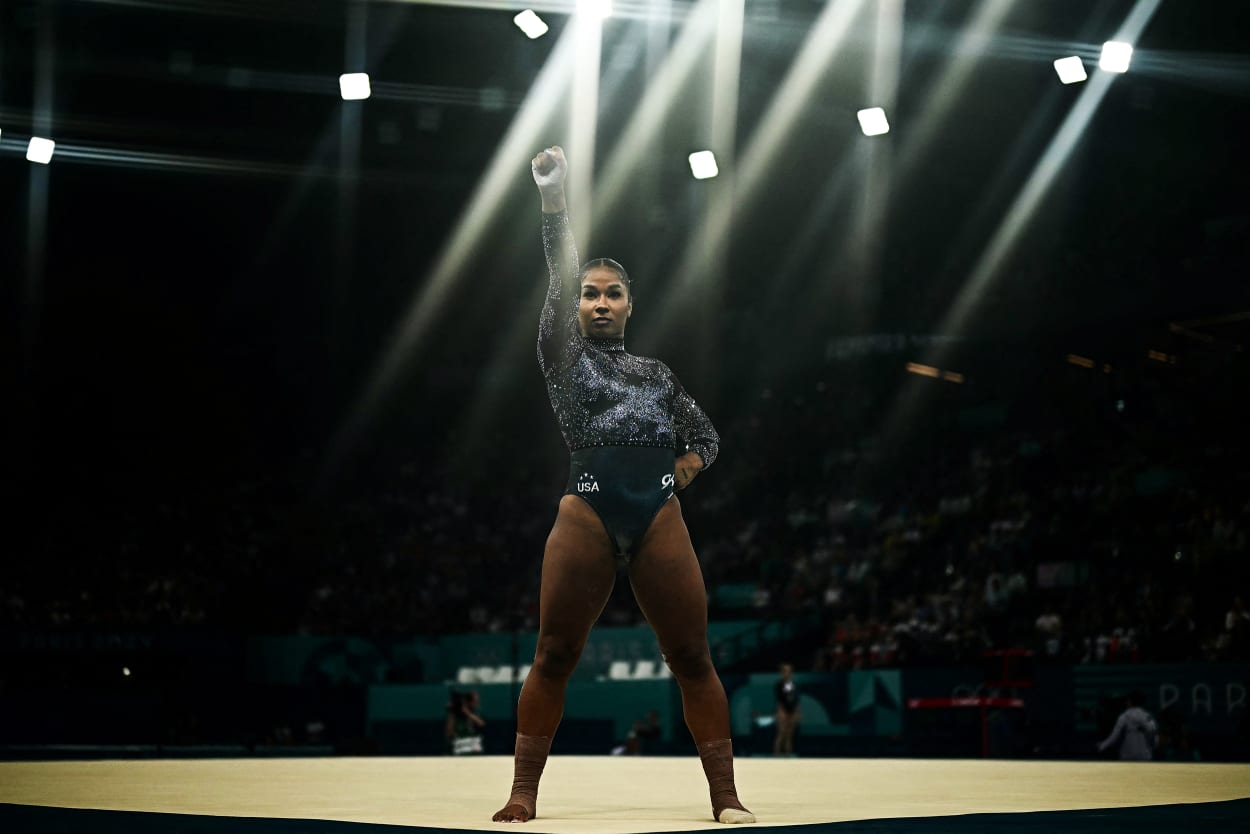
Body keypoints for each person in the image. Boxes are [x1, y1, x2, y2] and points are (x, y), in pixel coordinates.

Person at [492, 146, 754, 825]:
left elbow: (707, 436)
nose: (599, 302)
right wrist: (554, 203)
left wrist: (682, 472)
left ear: (630, 305)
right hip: (588, 511)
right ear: (574, 306)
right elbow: (557, 273)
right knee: (554, 653)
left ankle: (725, 799)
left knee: (693, 655)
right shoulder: (562, 355)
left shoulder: (657, 374)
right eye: (589, 293)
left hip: (658, 512)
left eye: (612, 293)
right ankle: (524, 793)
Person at [1097, 691, 1157, 761]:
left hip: (1127, 755)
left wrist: (1101, 746)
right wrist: (1153, 747)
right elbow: (1153, 732)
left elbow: (1114, 736)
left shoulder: (1124, 716)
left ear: (1129, 702)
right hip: (1145, 754)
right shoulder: (1147, 716)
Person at [446, 690, 486, 755]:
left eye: (477, 701)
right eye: (475, 701)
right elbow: (449, 733)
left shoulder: (477, 714)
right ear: (468, 702)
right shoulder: (455, 715)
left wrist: (467, 713)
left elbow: (481, 724)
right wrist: (451, 713)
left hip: (474, 750)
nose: (477, 703)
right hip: (460, 749)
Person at [773, 663, 800, 755]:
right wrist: (780, 712)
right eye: (785, 671)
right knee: (781, 733)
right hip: (783, 711)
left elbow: (796, 699)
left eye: (789, 671)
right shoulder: (779, 685)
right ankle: (776, 756)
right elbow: (779, 700)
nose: (787, 673)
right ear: (782, 673)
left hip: (792, 711)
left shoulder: (793, 685)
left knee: (789, 735)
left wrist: (796, 712)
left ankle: (788, 757)